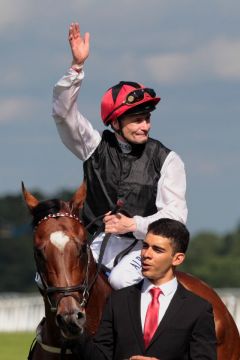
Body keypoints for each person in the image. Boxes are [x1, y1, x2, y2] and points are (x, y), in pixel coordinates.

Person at [52, 23, 188, 290]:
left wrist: (133, 224)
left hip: (145, 247)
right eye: (137, 120)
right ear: (115, 123)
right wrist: (76, 68)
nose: (145, 126)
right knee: (54, 270)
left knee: (121, 279)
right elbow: (63, 114)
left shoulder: (168, 160)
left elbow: (175, 217)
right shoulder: (94, 146)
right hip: (97, 241)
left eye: (147, 119)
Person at [73, 218, 217, 360]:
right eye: (145, 246)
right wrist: (78, 331)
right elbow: (101, 356)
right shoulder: (117, 301)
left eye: (157, 250)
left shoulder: (198, 309)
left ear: (177, 259)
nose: (146, 254)